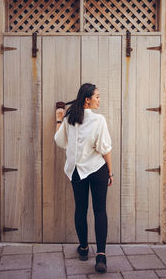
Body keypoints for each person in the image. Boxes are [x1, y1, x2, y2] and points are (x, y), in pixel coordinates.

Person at [54, 83, 114, 273]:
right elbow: (105, 149)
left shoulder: (70, 118)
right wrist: (110, 172)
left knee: (81, 209)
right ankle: (101, 256)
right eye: (97, 96)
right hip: (97, 170)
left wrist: (58, 120)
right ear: (87, 99)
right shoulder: (99, 120)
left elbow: (60, 141)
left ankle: (83, 248)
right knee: (100, 211)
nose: (99, 99)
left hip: (77, 171)